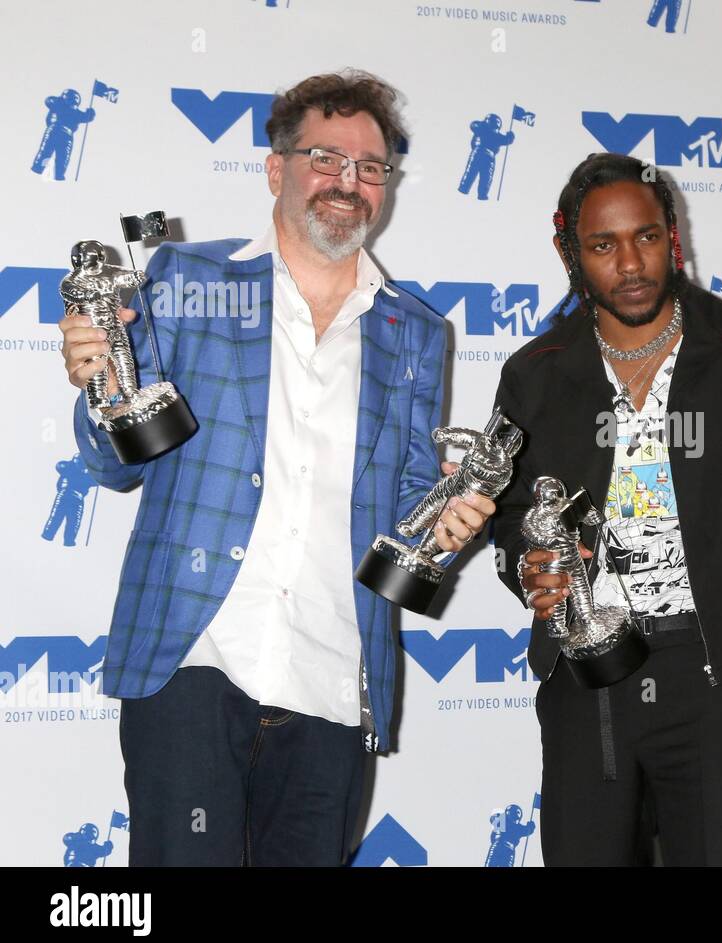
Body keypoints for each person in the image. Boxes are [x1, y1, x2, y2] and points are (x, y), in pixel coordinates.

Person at [57, 70, 494, 866]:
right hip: (192, 662)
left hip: (331, 674)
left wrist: (446, 525)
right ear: (275, 168)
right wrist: (97, 379)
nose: (348, 182)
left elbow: (404, 506)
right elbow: (113, 464)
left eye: (370, 167)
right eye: (326, 158)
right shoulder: (191, 280)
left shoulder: (416, 331)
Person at [490, 152, 722, 865]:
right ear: (567, 248)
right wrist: (530, 568)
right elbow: (509, 520)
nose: (630, 263)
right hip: (585, 681)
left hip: (713, 680)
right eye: (603, 245)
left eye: (648, 237)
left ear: (674, 236)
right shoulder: (535, 376)